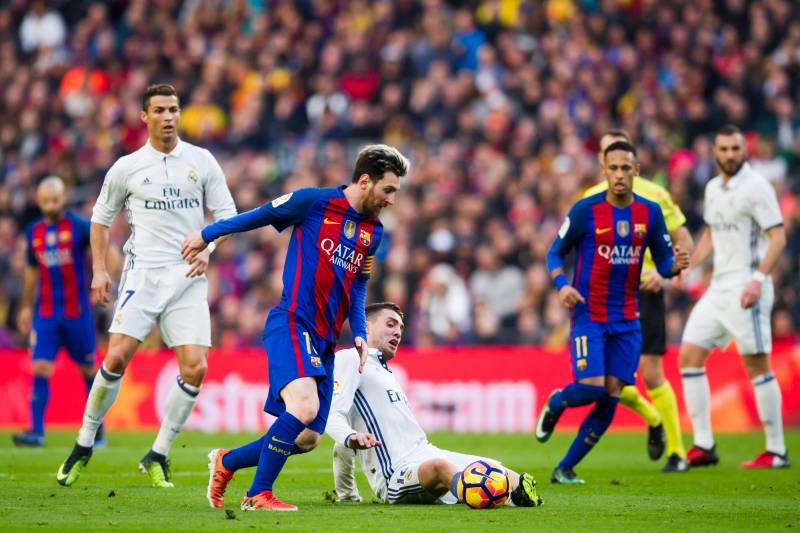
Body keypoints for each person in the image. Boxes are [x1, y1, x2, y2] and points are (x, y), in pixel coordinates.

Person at [196, 144, 408, 511]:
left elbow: (358, 285)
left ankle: (226, 462)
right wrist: (207, 235)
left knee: (308, 437)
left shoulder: (373, 232)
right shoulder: (314, 203)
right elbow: (260, 216)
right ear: (364, 181)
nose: (391, 199)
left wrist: (358, 330)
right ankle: (257, 495)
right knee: (305, 407)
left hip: (325, 340)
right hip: (293, 322)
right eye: (388, 190)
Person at [56, 83, 238, 488]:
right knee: (117, 356)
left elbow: (227, 215)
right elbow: (101, 220)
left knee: (196, 367)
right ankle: (84, 443)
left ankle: (157, 453)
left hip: (188, 274)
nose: (169, 117)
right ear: (145, 116)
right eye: (160, 110)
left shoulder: (202, 160)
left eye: (174, 109)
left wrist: (209, 247)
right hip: (143, 273)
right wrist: (100, 271)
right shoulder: (127, 166)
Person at [538, 140, 689, 484]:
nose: (619, 175)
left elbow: (664, 262)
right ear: (603, 171)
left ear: (636, 171)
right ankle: (558, 402)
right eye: (613, 168)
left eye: (626, 168)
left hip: (627, 319)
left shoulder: (650, 212)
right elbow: (554, 253)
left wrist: (673, 266)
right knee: (591, 388)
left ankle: (565, 467)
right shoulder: (584, 210)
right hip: (589, 314)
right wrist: (562, 285)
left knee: (611, 396)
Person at [326, 302, 543, 508]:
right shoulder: (351, 358)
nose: (398, 332)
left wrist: (347, 492)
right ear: (365, 326)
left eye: (401, 327)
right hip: (396, 474)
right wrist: (349, 441)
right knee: (441, 469)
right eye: (390, 324)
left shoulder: (386, 374)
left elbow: (344, 444)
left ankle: (516, 496)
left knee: (492, 467)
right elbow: (333, 414)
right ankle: (482, 496)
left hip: (427, 453)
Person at [583, 130, 694, 473]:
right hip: (602, 296)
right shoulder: (589, 198)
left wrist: (666, 275)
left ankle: (677, 452)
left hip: (643, 291)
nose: (615, 167)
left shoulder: (654, 196)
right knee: (599, 378)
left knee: (650, 371)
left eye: (621, 160)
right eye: (607, 158)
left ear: (632, 162)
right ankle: (652, 417)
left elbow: (683, 237)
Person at [679, 125, 789, 469]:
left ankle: (776, 450)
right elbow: (710, 234)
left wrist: (757, 281)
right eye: (724, 149)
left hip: (747, 288)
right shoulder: (713, 188)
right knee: (689, 357)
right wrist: (690, 266)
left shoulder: (757, 188)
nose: (730, 155)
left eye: (735, 149)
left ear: (745, 151)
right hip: (718, 288)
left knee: (757, 366)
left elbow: (779, 237)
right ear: (714, 151)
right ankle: (704, 445)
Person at [13, 177, 103, 448]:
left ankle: (97, 431)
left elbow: (102, 241)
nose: (50, 205)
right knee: (40, 366)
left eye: (55, 199)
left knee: (89, 370)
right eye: (45, 200)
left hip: (77, 312)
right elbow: (31, 271)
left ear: (63, 198)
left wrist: (102, 274)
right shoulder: (34, 232)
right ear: (38, 202)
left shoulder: (78, 226)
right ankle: (37, 432)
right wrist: (27, 306)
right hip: (47, 312)